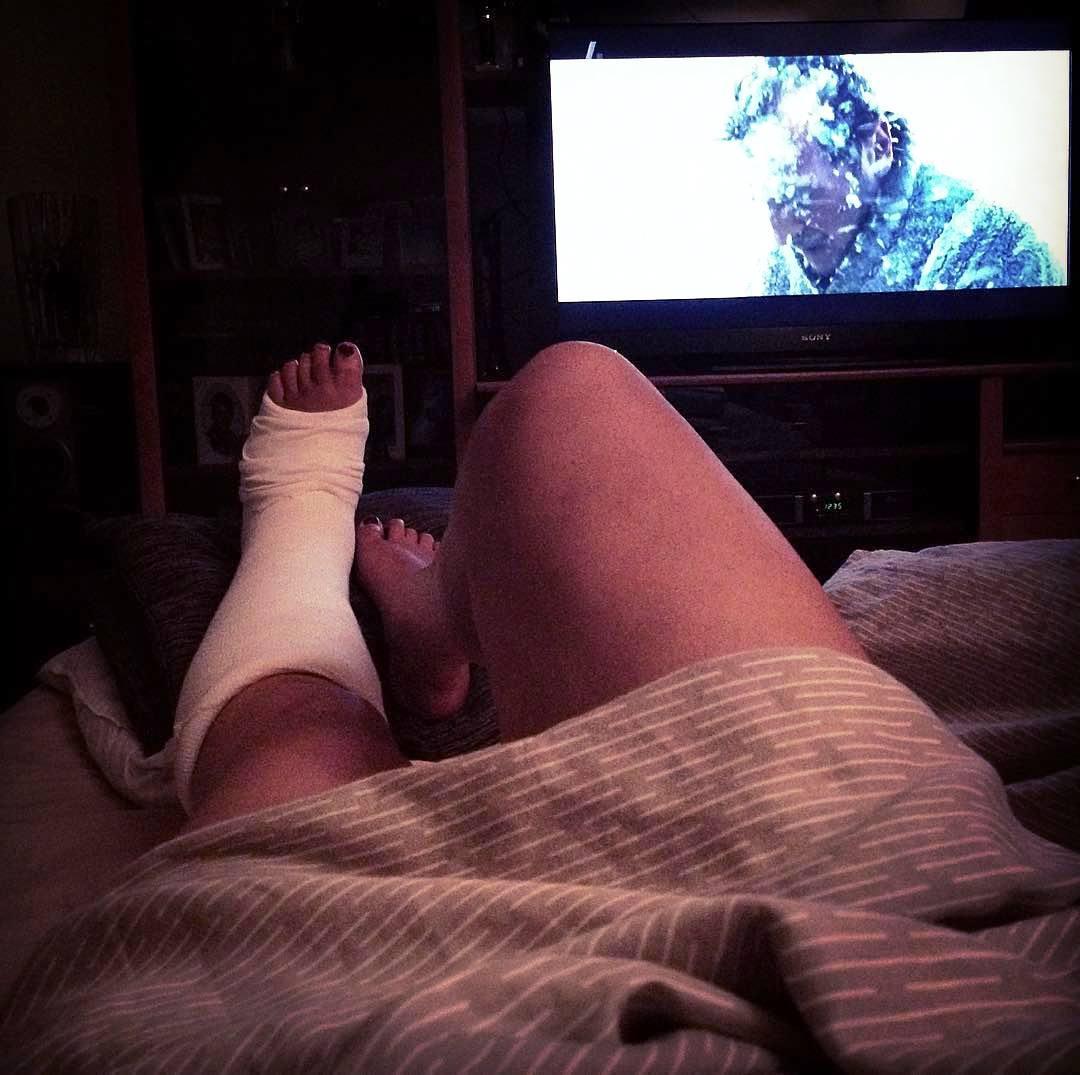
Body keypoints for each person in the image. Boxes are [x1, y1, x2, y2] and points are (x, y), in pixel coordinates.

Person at [174, 338, 867, 826]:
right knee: (574, 393)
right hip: (866, 838)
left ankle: (299, 542)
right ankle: (432, 614)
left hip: (336, 943)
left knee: (308, 742)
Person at [724, 54, 1065, 295]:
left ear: (878, 147)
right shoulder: (775, 277)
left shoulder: (990, 255)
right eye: (772, 198)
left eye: (804, 196)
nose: (783, 234)